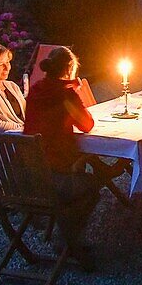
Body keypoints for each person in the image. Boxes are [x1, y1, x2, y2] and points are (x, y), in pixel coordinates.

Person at [23, 46, 100, 268]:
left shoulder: (36, 90)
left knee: (80, 179)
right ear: (69, 69)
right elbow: (87, 125)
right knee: (92, 188)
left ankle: (66, 238)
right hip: (55, 176)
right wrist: (74, 92)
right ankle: (68, 241)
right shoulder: (65, 94)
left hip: (29, 174)